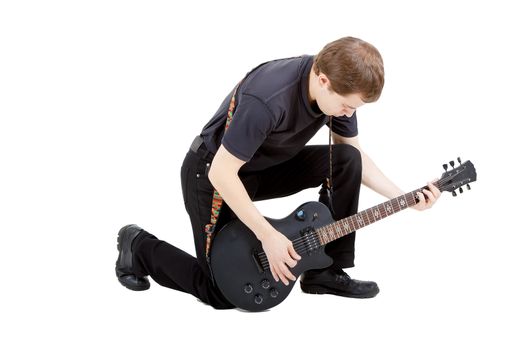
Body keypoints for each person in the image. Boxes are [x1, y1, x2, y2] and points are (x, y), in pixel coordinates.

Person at [115, 36, 441, 310]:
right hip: (212, 174)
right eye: (347, 105)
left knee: (346, 159)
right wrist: (267, 235)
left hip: (263, 168)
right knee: (221, 292)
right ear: (323, 80)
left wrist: (404, 198)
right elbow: (222, 172)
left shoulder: (334, 88)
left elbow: (353, 156)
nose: (349, 113)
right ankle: (139, 247)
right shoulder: (269, 99)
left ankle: (325, 270)